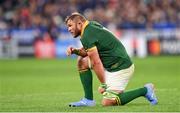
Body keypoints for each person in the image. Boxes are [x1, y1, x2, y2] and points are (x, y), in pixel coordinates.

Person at [65, 12, 158, 107]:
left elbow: (96, 62)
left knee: (107, 102)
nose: (69, 29)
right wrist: (75, 51)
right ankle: (88, 100)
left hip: (121, 68)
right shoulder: (90, 26)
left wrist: (103, 84)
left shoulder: (88, 34)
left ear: (79, 23)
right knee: (82, 61)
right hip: (111, 65)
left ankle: (145, 90)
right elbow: (86, 53)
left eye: (70, 25)